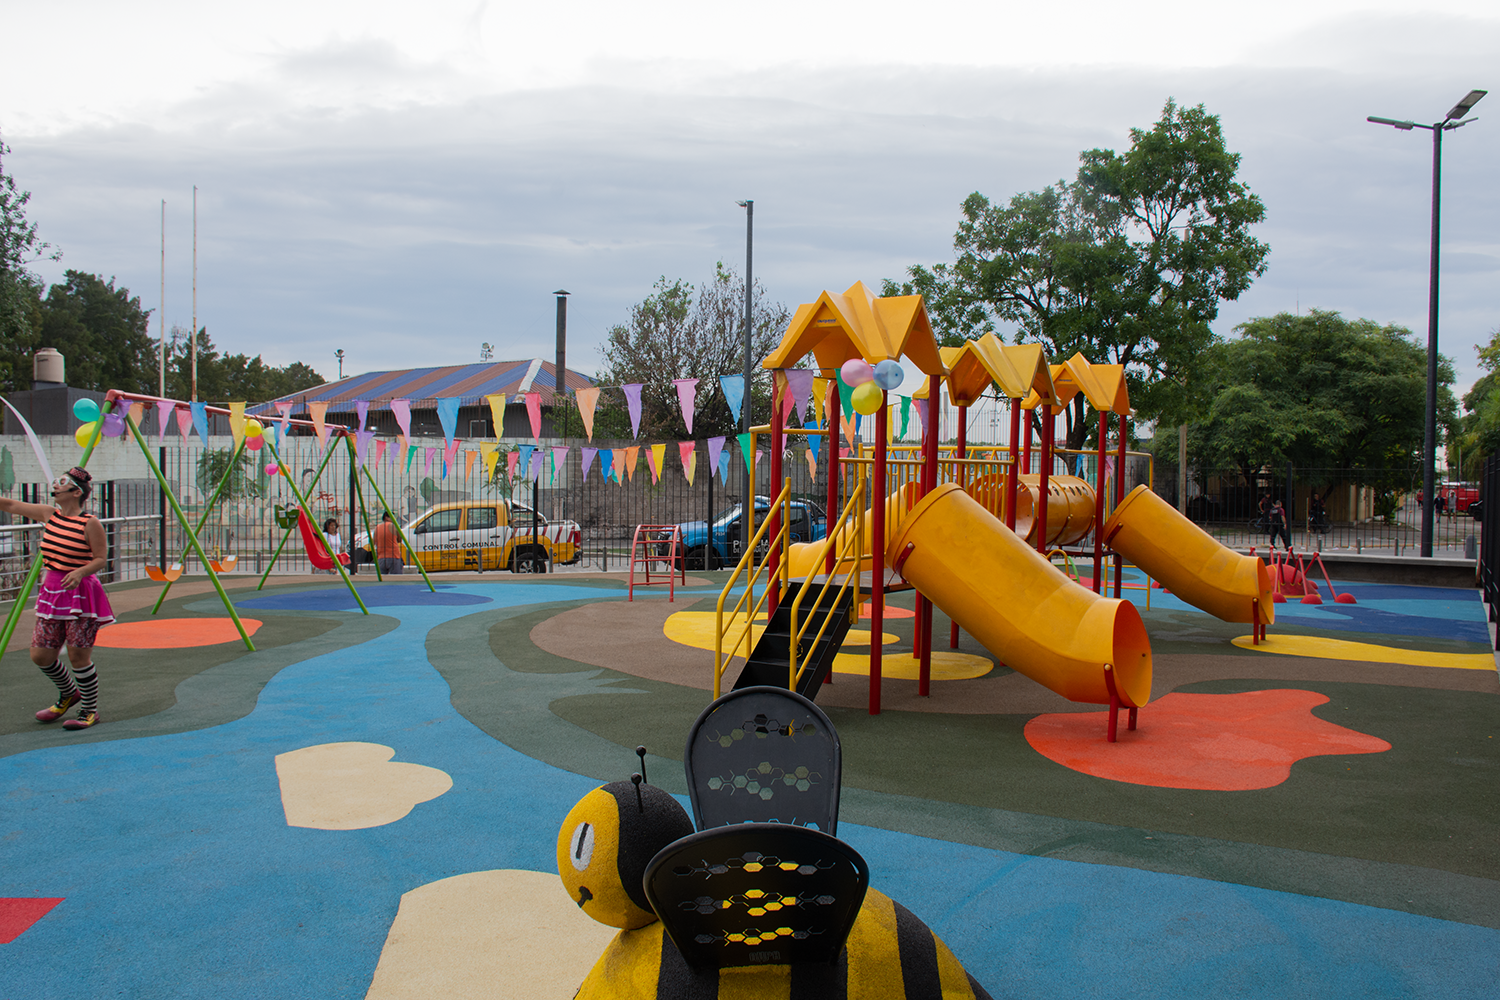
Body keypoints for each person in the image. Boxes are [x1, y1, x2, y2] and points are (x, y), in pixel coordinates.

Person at [0, 467, 114, 730]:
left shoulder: (90, 523)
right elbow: (10, 505)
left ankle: (89, 710)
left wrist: (81, 571)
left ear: (76, 492)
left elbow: (100, 558)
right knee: (41, 655)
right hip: (51, 592)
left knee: (78, 656)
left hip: (80, 594)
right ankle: (69, 693)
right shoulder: (48, 514)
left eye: (62, 483)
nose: (55, 486)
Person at [373, 511, 404, 575]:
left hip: (381, 557)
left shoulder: (377, 528)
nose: (394, 519)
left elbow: (374, 542)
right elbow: (399, 539)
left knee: (382, 578)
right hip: (393, 556)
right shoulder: (393, 526)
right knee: (397, 578)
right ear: (386, 518)